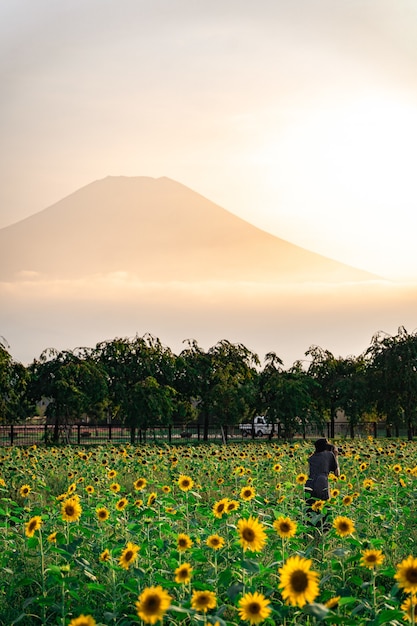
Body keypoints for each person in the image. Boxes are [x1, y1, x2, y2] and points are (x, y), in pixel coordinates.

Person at [305, 438, 340, 523]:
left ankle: (311, 529)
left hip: (309, 483)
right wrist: (336, 456)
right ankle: (324, 529)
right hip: (322, 482)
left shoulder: (311, 458)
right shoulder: (329, 455)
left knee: (311, 509)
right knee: (325, 508)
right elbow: (337, 473)